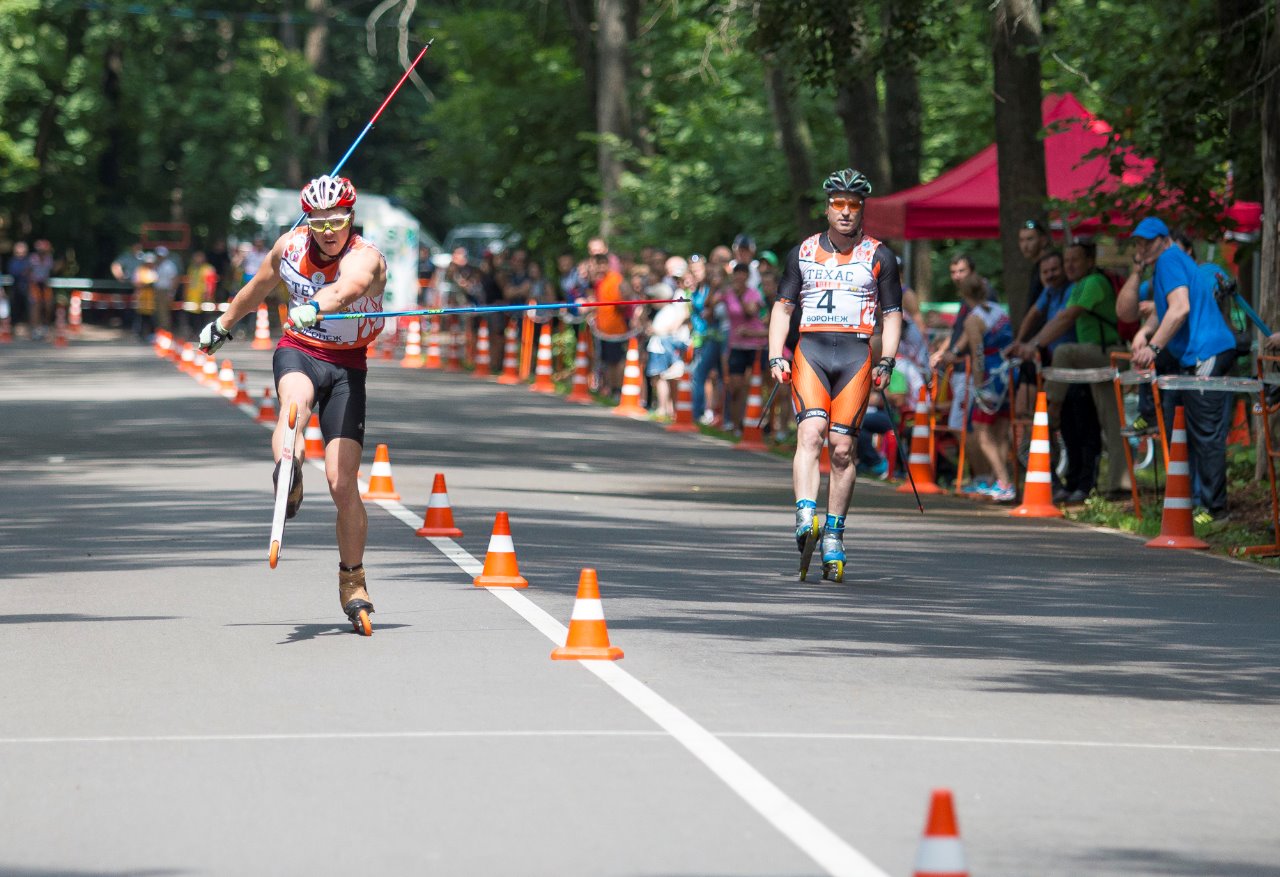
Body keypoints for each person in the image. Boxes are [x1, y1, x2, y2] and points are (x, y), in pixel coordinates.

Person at [197, 175, 387, 632]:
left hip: (347, 366)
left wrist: (318, 306)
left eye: (337, 220)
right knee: (294, 403)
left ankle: (352, 581)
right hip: (299, 349)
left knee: (343, 484)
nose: (328, 231)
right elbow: (257, 287)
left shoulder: (367, 258)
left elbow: (347, 289)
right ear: (309, 219)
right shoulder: (289, 247)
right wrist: (222, 325)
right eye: (319, 221)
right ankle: (290, 466)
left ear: (350, 218)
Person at [768, 168, 904, 582]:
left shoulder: (880, 256)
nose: (846, 212)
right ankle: (805, 511)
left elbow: (893, 315)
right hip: (811, 351)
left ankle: (834, 535)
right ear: (827, 208)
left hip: (855, 355)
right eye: (838, 204)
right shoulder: (803, 252)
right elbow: (783, 308)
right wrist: (776, 355)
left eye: (854, 205)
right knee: (811, 433)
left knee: (843, 449)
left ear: (862, 209)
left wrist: (887, 360)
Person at [1123, 216, 1238, 522]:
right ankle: (1193, 503)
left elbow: (1180, 308)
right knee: (1186, 430)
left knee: (1206, 433)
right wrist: (1144, 334)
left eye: (1148, 241)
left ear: (1164, 239)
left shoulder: (1169, 260)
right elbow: (1157, 311)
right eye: (1138, 242)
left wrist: (1153, 348)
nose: (1142, 247)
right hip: (1196, 354)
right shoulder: (1167, 262)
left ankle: (1215, 511)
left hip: (1208, 351)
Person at [1011, 241, 1129, 501]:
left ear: (1090, 260)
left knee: (1065, 353)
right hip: (1096, 359)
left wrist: (1034, 345)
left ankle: (1051, 408)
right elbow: (1049, 316)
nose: (1070, 266)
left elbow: (1067, 318)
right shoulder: (1077, 286)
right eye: (1067, 261)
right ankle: (1119, 485)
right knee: (1112, 423)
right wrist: (1026, 343)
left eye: (1075, 260)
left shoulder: (1093, 283)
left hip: (1105, 354)